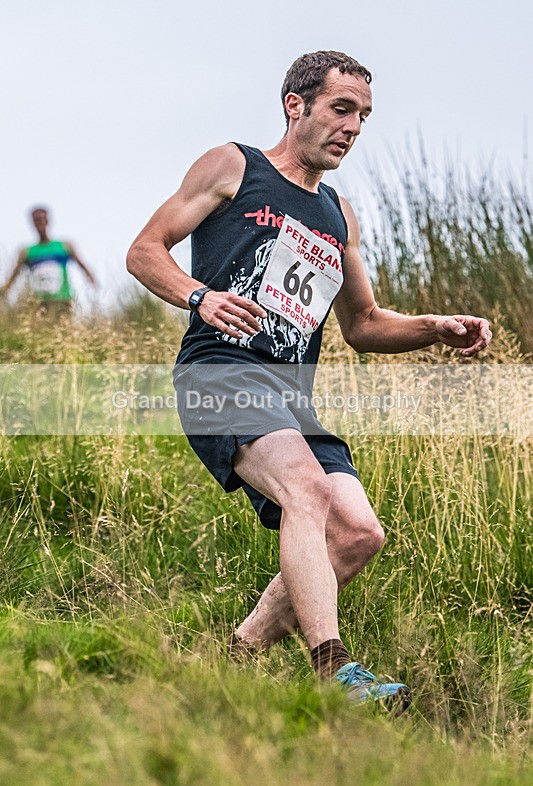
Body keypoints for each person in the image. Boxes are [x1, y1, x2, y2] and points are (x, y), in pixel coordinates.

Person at [126, 50, 491, 712]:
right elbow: (144, 251)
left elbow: (364, 324)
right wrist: (198, 297)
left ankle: (229, 664)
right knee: (307, 490)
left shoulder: (338, 216)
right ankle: (335, 673)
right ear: (295, 105)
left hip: (291, 399)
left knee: (356, 533)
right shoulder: (235, 166)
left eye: (363, 117)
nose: (352, 127)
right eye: (340, 109)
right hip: (221, 371)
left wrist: (432, 327)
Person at [0, 207, 97, 313]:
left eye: (42, 219)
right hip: (38, 302)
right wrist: (5, 290)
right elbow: (14, 275)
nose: (40, 223)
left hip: (62, 299)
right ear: (32, 223)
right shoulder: (27, 252)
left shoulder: (64, 246)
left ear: (48, 220)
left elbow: (81, 264)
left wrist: (91, 277)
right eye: (36, 220)